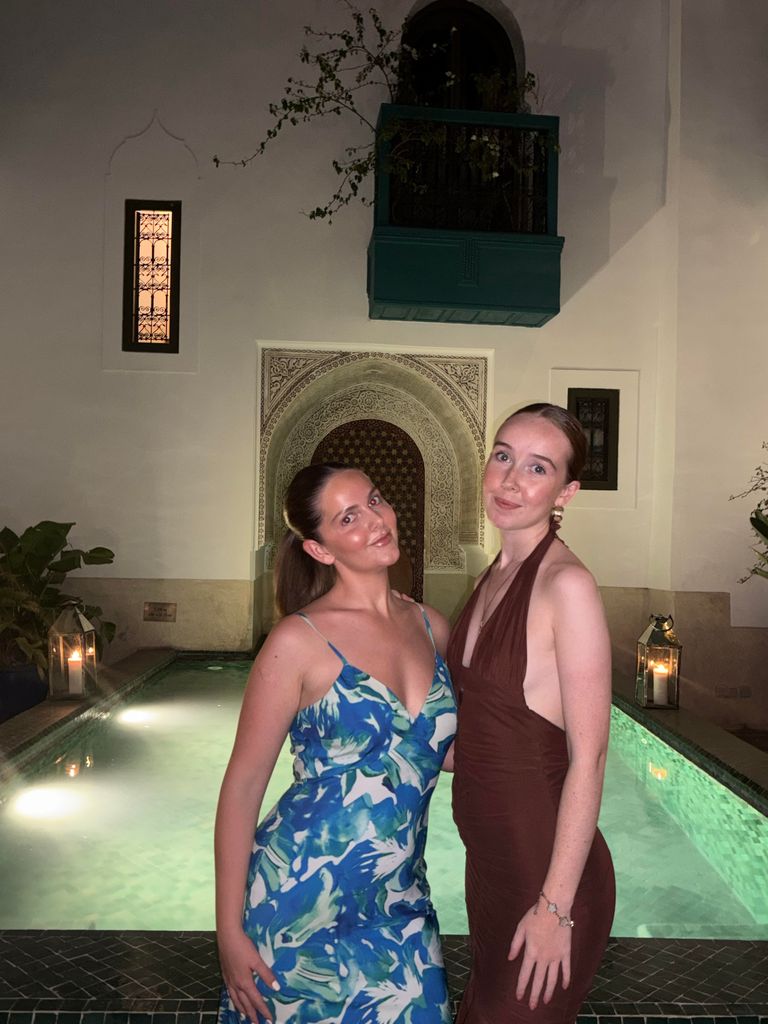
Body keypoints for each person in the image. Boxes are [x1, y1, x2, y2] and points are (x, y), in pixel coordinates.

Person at [215, 463, 457, 1024]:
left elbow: (438, 755)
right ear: (320, 550)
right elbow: (244, 785)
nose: (377, 521)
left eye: (375, 501)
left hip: (400, 900)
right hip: (297, 900)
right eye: (349, 517)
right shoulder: (298, 640)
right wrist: (229, 929)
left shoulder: (431, 627)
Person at [448, 403, 615, 1024]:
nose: (511, 480)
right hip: (491, 867)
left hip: (545, 880)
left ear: (565, 491)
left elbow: (589, 756)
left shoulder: (565, 586)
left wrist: (555, 909)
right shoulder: (493, 575)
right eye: (503, 455)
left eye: (538, 467)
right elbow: (493, 729)